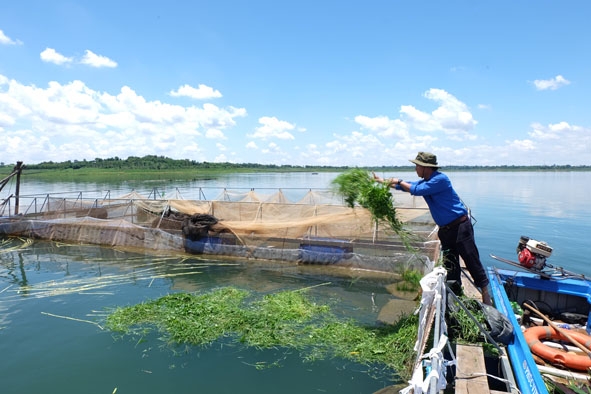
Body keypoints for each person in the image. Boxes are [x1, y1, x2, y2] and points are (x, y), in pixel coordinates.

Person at [372, 151, 492, 305]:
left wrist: (398, 180)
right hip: (446, 230)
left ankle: (485, 295)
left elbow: (416, 190)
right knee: (451, 263)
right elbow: (409, 186)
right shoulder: (426, 181)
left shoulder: (440, 180)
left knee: (471, 258)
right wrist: (382, 181)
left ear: (425, 167)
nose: (415, 169)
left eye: (417, 166)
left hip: (460, 226)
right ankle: (456, 295)